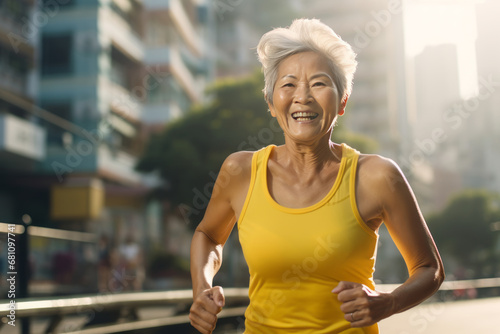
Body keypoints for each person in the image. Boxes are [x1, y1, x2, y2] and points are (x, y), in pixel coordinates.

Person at [189, 18, 444, 333]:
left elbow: (429, 268)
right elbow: (209, 236)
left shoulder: (376, 176)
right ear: (271, 103)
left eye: (319, 83)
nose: (303, 96)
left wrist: (386, 303)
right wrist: (201, 288)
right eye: (289, 84)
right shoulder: (240, 172)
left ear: (342, 102)